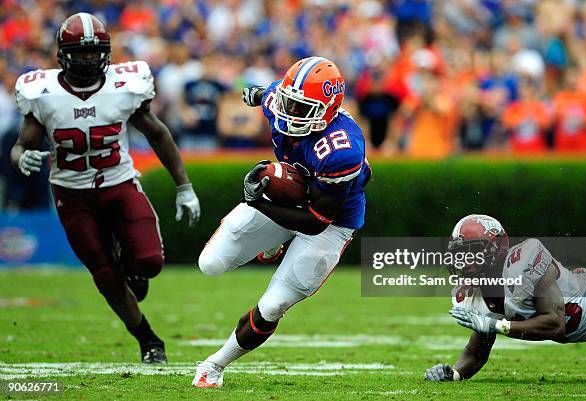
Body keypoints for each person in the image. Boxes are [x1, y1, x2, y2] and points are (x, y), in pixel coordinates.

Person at [10, 13, 201, 363]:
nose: (88, 59)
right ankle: (148, 340)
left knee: (150, 263)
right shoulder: (43, 93)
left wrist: (184, 186)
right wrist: (20, 157)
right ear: (62, 54)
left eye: (94, 52)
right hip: (72, 193)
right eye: (80, 53)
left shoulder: (125, 85)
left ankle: (129, 262)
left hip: (118, 182)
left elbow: (157, 133)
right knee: (105, 275)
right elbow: (22, 143)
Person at [192, 56, 371, 388]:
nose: (289, 112)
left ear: (328, 109)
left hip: (330, 222)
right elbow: (266, 94)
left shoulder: (341, 150)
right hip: (288, 201)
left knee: (273, 305)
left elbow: (317, 220)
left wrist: (256, 200)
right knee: (210, 263)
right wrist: (256, 94)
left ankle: (215, 365)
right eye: (290, 102)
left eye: (301, 108)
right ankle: (276, 240)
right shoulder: (279, 99)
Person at [424, 214, 586, 382]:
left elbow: (555, 323)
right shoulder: (477, 294)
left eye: (471, 253)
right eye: (460, 254)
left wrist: (497, 326)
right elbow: (476, 353)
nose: (464, 262)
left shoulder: (523, 263)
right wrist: (454, 374)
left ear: (495, 249)